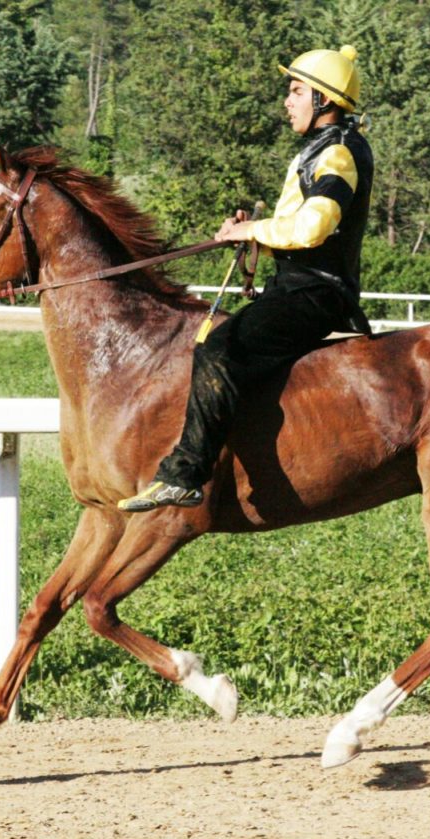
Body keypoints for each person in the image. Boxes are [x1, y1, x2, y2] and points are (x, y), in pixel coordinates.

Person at [120, 45, 374, 512]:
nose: (287, 101)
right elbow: (298, 229)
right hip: (301, 286)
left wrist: (251, 230)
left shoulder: (338, 154)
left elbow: (314, 228)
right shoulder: (323, 148)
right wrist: (255, 235)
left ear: (324, 100)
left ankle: (186, 474)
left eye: (297, 91)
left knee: (219, 349)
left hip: (315, 293)